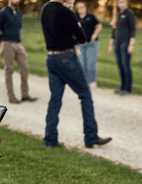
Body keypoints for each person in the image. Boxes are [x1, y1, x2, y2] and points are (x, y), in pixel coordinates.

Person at [39, 0, 112, 148]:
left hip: (51, 57)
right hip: (66, 58)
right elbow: (82, 39)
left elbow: (58, 31)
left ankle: (50, 139)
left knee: (55, 99)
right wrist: (76, 26)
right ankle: (91, 136)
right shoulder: (68, 13)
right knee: (85, 94)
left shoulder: (45, 9)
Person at [0, 0, 37, 104]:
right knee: (9, 70)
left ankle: (25, 94)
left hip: (18, 44)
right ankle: (11, 97)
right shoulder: (3, 13)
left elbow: (19, 28)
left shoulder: (19, 13)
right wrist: (0, 41)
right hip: (7, 43)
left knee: (25, 68)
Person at [108, 0, 136, 96]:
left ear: (126, 3)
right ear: (117, 4)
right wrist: (110, 45)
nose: (122, 4)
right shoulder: (117, 15)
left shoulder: (129, 14)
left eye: (123, 2)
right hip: (117, 43)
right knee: (120, 66)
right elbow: (114, 31)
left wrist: (131, 45)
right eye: (120, 2)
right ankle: (122, 88)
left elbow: (133, 30)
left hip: (125, 43)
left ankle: (128, 89)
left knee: (125, 65)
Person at [74, 1, 103, 89]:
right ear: (77, 9)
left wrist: (94, 35)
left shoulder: (90, 17)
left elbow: (99, 26)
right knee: (81, 64)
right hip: (80, 45)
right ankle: (84, 82)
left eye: (83, 7)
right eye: (79, 7)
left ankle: (92, 81)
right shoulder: (75, 19)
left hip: (91, 44)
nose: (82, 9)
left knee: (91, 63)